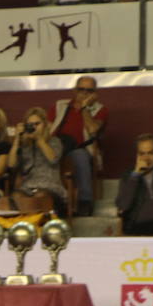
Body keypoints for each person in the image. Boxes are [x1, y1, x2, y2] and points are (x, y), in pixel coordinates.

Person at [49, 76, 106, 216]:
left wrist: (85, 108)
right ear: (75, 90)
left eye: (89, 90)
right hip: (56, 146)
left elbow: (93, 129)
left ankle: (85, 202)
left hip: (80, 149)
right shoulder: (60, 105)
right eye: (81, 89)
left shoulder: (100, 109)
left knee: (80, 156)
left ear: (95, 93)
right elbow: (48, 128)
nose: (84, 93)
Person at [10, 106, 67, 212]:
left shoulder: (54, 141)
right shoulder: (25, 146)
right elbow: (11, 165)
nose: (34, 127)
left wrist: (39, 139)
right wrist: (17, 140)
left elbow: (53, 159)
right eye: (30, 125)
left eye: (37, 124)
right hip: (27, 188)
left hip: (50, 188)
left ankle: (37, 223)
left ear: (45, 125)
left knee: (40, 196)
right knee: (16, 196)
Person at [116, 134, 153, 235]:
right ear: (137, 155)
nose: (146, 158)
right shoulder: (129, 176)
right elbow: (123, 205)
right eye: (142, 154)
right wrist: (136, 174)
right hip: (140, 228)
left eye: (150, 153)